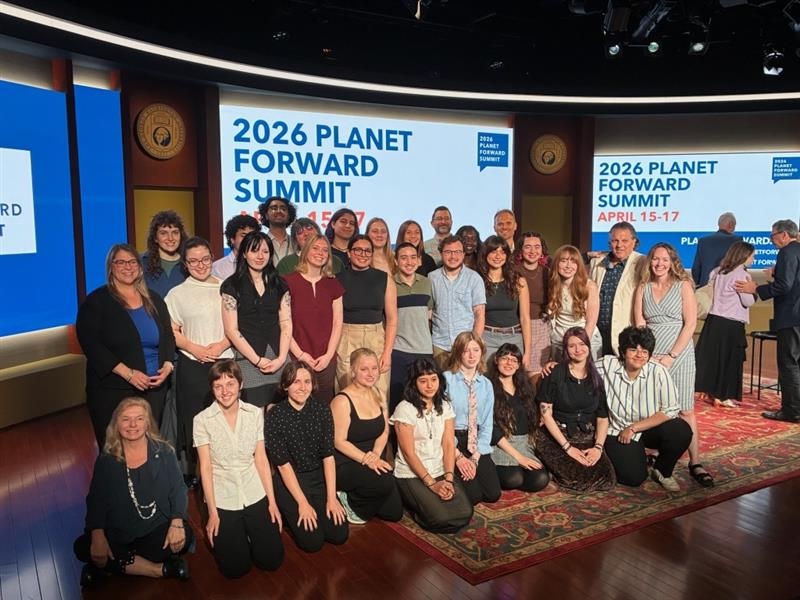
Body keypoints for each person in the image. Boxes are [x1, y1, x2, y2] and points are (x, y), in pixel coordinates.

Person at [74, 398, 192, 585]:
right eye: (125, 419)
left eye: (139, 418)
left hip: (155, 526)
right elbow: (96, 500)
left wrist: (176, 522)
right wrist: (98, 534)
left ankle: (110, 567)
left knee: (183, 536)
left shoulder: (164, 452)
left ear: (147, 423)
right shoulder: (106, 460)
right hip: (119, 530)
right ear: (116, 424)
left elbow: (178, 488)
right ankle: (159, 569)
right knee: (83, 547)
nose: (132, 425)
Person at [77, 244, 175, 449]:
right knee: (116, 451)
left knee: (148, 448)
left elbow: (167, 335)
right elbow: (91, 345)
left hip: (154, 389)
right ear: (111, 267)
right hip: (113, 389)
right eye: (120, 262)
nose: (127, 267)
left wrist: (167, 365)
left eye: (132, 262)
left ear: (140, 267)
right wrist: (130, 374)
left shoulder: (153, 299)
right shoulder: (97, 301)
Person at [194, 360, 284, 578]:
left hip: (253, 489)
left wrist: (272, 502)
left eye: (230, 384)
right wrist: (213, 513)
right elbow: (205, 468)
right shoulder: (202, 420)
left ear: (240, 385)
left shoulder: (254, 414)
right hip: (223, 493)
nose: (225, 392)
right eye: (218, 386)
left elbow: (261, 460)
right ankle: (239, 534)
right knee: (235, 569)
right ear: (212, 389)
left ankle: (251, 531)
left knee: (272, 560)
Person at [633, 242, 713, 488]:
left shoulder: (683, 286)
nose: (659, 263)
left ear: (672, 262)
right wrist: (648, 357)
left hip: (680, 355)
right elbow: (640, 324)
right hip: (652, 356)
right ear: (650, 261)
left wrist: (671, 356)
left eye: (664, 259)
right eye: (656, 259)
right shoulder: (643, 288)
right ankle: (661, 455)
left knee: (685, 410)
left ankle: (695, 462)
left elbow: (690, 324)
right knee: (659, 408)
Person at [165, 237, 232, 486]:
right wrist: (194, 348)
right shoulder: (177, 294)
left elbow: (237, 326)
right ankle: (201, 475)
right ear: (185, 263)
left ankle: (225, 471)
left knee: (225, 418)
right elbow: (171, 330)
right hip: (192, 365)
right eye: (193, 261)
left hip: (224, 363)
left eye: (205, 259)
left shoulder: (227, 288)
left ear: (212, 257)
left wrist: (222, 345)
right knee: (196, 420)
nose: (200, 265)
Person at [266, 361, 349, 552]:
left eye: (307, 382)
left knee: (338, 535)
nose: (303, 387)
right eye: (296, 382)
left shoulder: (322, 410)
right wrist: (302, 503)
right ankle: (292, 512)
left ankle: (323, 503)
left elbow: (328, 456)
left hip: (317, 476)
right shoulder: (275, 415)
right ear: (285, 385)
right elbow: (283, 465)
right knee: (312, 542)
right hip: (290, 479)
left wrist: (331, 497)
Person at [601, 326, 692, 491]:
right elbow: (579, 368)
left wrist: (634, 428)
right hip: (618, 431)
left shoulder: (658, 372)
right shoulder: (608, 365)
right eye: (633, 349)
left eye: (645, 351)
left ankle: (662, 471)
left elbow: (670, 409)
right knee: (633, 478)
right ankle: (636, 458)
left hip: (647, 428)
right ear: (622, 352)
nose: (639, 355)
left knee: (681, 430)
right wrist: (554, 365)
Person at [390, 358, 473, 533]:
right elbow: (408, 453)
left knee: (465, 513)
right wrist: (432, 484)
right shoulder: (404, 409)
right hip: (411, 473)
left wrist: (449, 479)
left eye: (433, 379)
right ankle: (414, 507)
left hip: (440, 469)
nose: (430, 385)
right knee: (439, 519)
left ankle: (429, 500)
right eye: (423, 380)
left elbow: (449, 444)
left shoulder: (445, 406)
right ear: (414, 383)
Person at [735, 219, 800, 423]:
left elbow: (785, 286)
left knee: (789, 364)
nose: (771, 239)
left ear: (784, 235)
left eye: (773, 235)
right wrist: (777, 274)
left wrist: (756, 289)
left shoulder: (787, 252)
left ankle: (793, 411)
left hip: (791, 316)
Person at [535, 328, 616, 492]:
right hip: (558, 435)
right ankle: (547, 468)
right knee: (577, 480)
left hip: (586, 434)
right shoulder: (555, 373)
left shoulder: (596, 378)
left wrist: (598, 448)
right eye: (572, 346)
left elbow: (602, 417)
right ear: (565, 349)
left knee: (606, 479)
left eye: (581, 344)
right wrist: (568, 448)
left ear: (588, 345)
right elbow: (546, 415)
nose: (578, 350)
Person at [331, 348, 403, 524]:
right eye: (364, 369)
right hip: (347, 462)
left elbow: (385, 430)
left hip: (372, 458)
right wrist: (366, 459)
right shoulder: (342, 401)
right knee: (384, 482)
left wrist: (376, 455)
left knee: (394, 513)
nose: (370, 374)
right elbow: (338, 442)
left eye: (374, 368)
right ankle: (347, 499)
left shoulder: (378, 393)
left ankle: (363, 492)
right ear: (353, 371)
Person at [221, 231, 291, 408]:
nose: (260, 256)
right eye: (254, 251)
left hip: (279, 355)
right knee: (254, 414)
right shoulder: (232, 285)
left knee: (281, 412)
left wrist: (282, 357)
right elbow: (231, 330)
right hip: (248, 358)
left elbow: (286, 323)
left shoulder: (280, 284)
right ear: (244, 253)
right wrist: (257, 360)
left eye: (265, 251)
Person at [443, 332, 502, 505]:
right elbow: (440, 423)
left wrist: (476, 457)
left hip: (475, 441)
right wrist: (458, 457)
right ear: (458, 353)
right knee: (474, 497)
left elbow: (486, 424)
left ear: (482, 352)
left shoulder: (486, 384)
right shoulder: (447, 379)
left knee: (492, 495)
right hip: (452, 440)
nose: (471, 355)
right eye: (466, 350)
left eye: (475, 350)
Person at [695, 242, 756, 407]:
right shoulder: (741, 275)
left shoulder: (717, 271)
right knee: (729, 360)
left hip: (714, 321)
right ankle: (723, 396)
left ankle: (711, 392)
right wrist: (754, 290)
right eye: (752, 255)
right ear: (744, 255)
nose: (754, 259)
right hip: (731, 324)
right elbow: (748, 301)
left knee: (714, 359)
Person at [335, 235, 397, 399]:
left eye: (367, 251)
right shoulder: (338, 279)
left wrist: (387, 353)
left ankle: (382, 425)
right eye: (357, 250)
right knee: (347, 390)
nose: (363, 254)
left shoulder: (384, 279)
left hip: (376, 337)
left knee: (379, 393)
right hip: (346, 336)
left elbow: (392, 320)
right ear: (349, 253)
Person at [285, 234, 345, 403]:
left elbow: (337, 323)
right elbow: (284, 324)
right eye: (316, 248)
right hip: (295, 357)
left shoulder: (333, 284)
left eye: (325, 250)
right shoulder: (288, 282)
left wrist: (328, 355)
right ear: (305, 251)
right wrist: (300, 354)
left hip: (325, 360)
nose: (321, 253)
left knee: (322, 407)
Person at [486, 344, 550, 492]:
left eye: (514, 360)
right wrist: (519, 458)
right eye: (505, 358)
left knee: (540, 480)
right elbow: (492, 429)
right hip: (501, 445)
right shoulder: (487, 386)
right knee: (514, 479)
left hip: (524, 444)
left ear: (519, 365)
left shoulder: (525, 386)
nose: (509, 363)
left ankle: (519, 471)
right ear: (496, 360)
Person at [429, 235, 486, 366]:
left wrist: (473, 344)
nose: (453, 256)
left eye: (457, 252)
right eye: (448, 252)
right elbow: (429, 312)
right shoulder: (432, 278)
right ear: (441, 253)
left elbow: (479, 314)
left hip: (465, 348)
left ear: (464, 253)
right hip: (439, 345)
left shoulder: (474, 278)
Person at [589, 221, 645, 356]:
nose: (619, 245)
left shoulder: (642, 262)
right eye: (615, 241)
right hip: (597, 333)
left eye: (624, 240)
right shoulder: (597, 263)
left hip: (626, 333)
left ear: (634, 241)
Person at [390, 242, 434, 412]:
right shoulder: (389, 284)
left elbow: (429, 314)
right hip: (399, 351)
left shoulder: (427, 283)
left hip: (424, 350)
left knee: (424, 400)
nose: (409, 262)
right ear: (395, 261)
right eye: (403, 258)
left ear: (419, 260)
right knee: (398, 399)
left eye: (413, 257)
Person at [477, 235, 531, 365]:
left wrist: (528, 352)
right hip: (487, 337)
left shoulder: (519, 281)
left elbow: (525, 318)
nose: (497, 256)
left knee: (512, 381)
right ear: (485, 254)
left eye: (502, 252)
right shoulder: (477, 281)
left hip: (513, 337)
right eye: (493, 251)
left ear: (507, 256)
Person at [548, 245, 602, 362]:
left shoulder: (589, 286)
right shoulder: (552, 284)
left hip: (585, 339)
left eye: (573, 261)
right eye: (563, 261)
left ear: (578, 265)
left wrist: (579, 344)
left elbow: (591, 322)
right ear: (557, 264)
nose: (568, 266)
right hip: (559, 340)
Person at [514, 232, 551, 380]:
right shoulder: (512, 271)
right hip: (517, 326)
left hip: (540, 326)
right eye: (528, 247)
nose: (533, 251)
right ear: (521, 250)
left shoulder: (547, 272)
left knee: (537, 373)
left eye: (537, 247)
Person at [142, 210, 189, 299]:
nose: (170, 238)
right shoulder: (141, 263)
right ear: (155, 238)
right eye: (163, 233)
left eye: (175, 232)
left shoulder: (190, 263)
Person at [277, 217, 345, 275]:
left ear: (318, 232)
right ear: (296, 240)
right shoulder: (286, 263)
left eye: (309, 228)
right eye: (300, 232)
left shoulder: (336, 262)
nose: (306, 233)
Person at [692, 212, 742, 287]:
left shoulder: (703, 241)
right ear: (731, 224)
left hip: (706, 286)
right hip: (728, 287)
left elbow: (696, 268)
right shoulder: (737, 240)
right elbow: (740, 265)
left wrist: (701, 284)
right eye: (735, 225)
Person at [212, 214, 260, 280]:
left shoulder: (263, 264)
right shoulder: (217, 268)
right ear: (232, 239)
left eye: (252, 235)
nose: (248, 239)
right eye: (243, 235)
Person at [258, 196, 296, 266]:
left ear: (288, 216)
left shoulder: (296, 243)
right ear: (266, 215)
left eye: (283, 209)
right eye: (274, 208)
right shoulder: (259, 243)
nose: (279, 211)